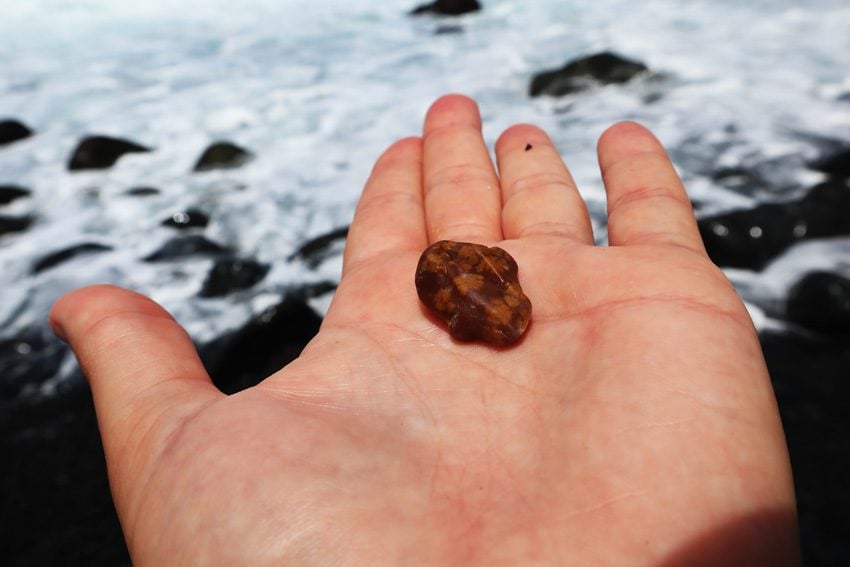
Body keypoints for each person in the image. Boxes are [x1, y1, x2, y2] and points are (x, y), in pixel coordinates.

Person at [50, 94, 800, 565]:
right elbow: (476, 273)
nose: (511, 326)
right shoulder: (472, 296)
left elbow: (488, 274)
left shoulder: (490, 298)